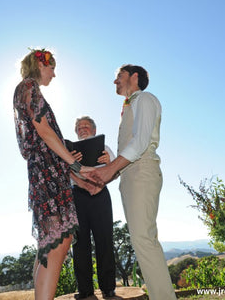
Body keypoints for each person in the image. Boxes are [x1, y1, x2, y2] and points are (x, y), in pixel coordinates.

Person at [13, 49, 97, 300]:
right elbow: (44, 130)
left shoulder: (26, 89)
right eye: (52, 68)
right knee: (58, 243)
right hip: (47, 172)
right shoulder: (28, 86)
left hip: (47, 172)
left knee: (51, 244)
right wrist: (76, 165)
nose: (54, 74)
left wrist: (76, 176)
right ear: (41, 64)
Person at [93, 64, 177, 300]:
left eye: (119, 76)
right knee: (140, 240)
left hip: (142, 172)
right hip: (130, 176)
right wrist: (107, 174)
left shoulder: (146, 99)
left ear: (135, 76)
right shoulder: (130, 106)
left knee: (144, 239)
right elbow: (129, 151)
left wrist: (110, 168)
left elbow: (140, 143)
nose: (115, 81)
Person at [69, 116, 116, 299]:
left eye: (86, 126)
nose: (82, 128)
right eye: (79, 127)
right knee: (80, 243)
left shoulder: (106, 149)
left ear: (94, 130)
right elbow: (65, 176)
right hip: (78, 197)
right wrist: (71, 162)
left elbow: (116, 171)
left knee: (104, 240)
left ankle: (108, 287)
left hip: (101, 195)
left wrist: (108, 162)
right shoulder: (69, 151)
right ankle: (85, 290)